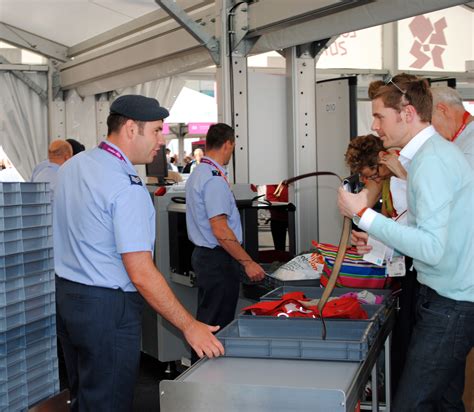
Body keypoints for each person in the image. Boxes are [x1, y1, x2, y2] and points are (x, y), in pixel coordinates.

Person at [53, 95, 224, 412]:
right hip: (107, 308)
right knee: (108, 403)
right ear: (131, 128)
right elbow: (142, 272)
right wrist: (189, 325)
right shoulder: (126, 186)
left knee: (83, 397)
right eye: (157, 131)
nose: (162, 140)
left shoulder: (72, 167)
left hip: (67, 298)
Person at [338, 77, 474, 411]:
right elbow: (424, 227)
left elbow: (430, 247)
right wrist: (378, 240)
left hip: (452, 303)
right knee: (444, 401)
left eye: (380, 116)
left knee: (411, 404)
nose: (374, 126)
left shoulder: (432, 161)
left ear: (407, 113)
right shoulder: (431, 154)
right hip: (446, 295)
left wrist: (366, 217)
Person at [185, 123, 265, 360]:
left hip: (206, 257)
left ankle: (201, 376)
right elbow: (220, 229)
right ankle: (207, 378)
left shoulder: (198, 173)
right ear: (228, 144)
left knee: (207, 320)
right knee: (215, 326)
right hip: (218, 259)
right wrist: (247, 262)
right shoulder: (213, 179)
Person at [431, 86, 473, 169]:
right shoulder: (463, 136)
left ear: (442, 110)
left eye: (428, 119)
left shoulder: (471, 143)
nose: (428, 127)